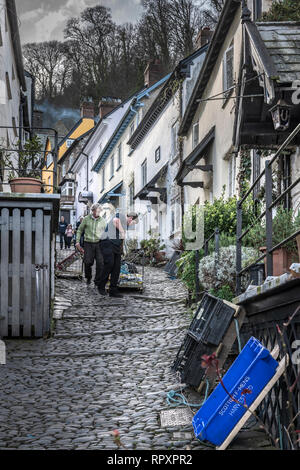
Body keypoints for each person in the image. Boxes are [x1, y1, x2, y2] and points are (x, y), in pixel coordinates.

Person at [98, 211, 139, 298]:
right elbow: (115, 221)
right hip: (107, 242)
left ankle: (113, 290)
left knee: (117, 267)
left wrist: (121, 249)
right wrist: (122, 232)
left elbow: (121, 239)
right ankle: (101, 286)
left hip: (116, 246)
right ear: (131, 218)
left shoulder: (126, 224)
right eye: (133, 222)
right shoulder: (121, 216)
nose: (132, 224)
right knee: (109, 264)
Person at [75, 203, 106, 287]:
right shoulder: (86, 219)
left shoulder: (103, 221)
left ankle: (97, 280)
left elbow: (106, 233)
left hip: (99, 244)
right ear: (93, 211)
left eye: (100, 211)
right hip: (88, 243)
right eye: (97, 211)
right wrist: (77, 242)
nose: (99, 212)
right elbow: (79, 230)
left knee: (100, 263)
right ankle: (88, 277)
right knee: (88, 262)